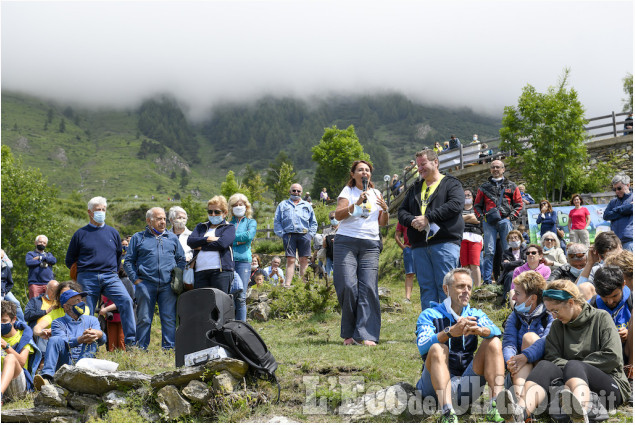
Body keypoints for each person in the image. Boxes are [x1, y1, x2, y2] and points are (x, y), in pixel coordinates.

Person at [498, 280, 629, 423]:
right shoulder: (557, 326)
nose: (554, 316)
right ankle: (521, 413)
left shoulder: (601, 318)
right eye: (550, 312)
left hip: (610, 384)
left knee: (574, 365)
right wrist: (572, 369)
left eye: (556, 310)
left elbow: (613, 357)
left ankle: (580, 412)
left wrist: (577, 367)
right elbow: (552, 358)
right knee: (544, 366)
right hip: (571, 382)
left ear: (571, 302)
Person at [415, 268, 505, 423]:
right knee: (438, 347)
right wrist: (448, 332)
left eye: (469, 287)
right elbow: (422, 346)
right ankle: (447, 413)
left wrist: (482, 331)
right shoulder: (429, 315)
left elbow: (496, 331)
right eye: (460, 286)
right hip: (433, 390)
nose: (466, 291)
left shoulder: (475, 315)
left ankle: (496, 406)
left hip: (465, 386)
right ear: (446, 289)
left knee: (494, 341)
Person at [65, 196, 136, 348]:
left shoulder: (113, 233)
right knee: (86, 311)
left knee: (126, 300)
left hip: (110, 276)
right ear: (89, 212)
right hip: (87, 276)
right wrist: (82, 273)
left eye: (104, 209)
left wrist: (112, 272)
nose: (102, 212)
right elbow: (69, 259)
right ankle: (88, 345)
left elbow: (118, 256)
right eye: (98, 210)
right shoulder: (80, 234)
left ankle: (131, 343)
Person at [398, 149, 464, 311]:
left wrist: (428, 217)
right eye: (418, 166)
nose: (420, 168)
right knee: (426, 288)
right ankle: (430, 331)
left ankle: (450, 330)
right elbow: (401, 212)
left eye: (423, 164)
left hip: (444, 243)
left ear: (436, 162)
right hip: (419, 245)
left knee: (447, 287)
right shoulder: (415, 188)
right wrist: (413, 221)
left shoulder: (451, 183)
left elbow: (456, 204)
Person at [332, 160, 389, 346]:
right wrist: (356, 204)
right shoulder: (347, 192)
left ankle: (366, 334)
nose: (364, 172)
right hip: (346, 241)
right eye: (360, 170)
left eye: (367, 170)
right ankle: (349, 333)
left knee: (369, 287)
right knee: (348, 285)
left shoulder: (376, 193)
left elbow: (382, 223)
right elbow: (338, 215)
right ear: (353, 174)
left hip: (370, 243)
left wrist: (386, 210)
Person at [124, 207, 185, 350]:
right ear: (149, 220)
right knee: (144, 318)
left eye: (164, 218)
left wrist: (177, 274)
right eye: (159, 219)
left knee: (169, 318)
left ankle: (169, 349)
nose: (162, 222)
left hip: (167, 286)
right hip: (145, 284)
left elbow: (181, 259)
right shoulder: (138, 238)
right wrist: (136, 281)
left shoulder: (172, 238)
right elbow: (128, 262)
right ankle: (141, 348)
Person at [34, 289, 105, 390]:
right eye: (76, 301)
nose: (81, 303)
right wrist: (80, 339)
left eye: (81, 300)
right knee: (54, 339)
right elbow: (63, 341)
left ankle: (82, 372)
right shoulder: (57, 323)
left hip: (86, 361)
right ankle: (47, 377)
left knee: (91, 338)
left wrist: (99, 334)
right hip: (66, 360)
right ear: (66, 306)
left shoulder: (92, 320)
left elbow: (102, 340)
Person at [502, 271, 553, 401]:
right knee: (518, 359)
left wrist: (526, 356)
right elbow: (509, 343)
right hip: (520, 369)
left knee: (529, 338)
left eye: (517, 294)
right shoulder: (515, 315)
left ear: (533, 298)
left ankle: (524, 403)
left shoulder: (549, 314)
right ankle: (521, 406)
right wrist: (511, 361)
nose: (513, 298)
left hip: (542, 368)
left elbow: (547, 341)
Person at [474, 160, 523, 285]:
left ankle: (506, 278)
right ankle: (487, 281)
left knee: (508, 250)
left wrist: (510, 218)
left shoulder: (512, 186)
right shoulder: (483, 187)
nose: (495, 169)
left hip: (505, 220)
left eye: (498, 167)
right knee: (489, 251)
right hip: (489, 222)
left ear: (503, 169)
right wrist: (482, 218)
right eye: (493, 167)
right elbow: (477, 205)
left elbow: (519, 204)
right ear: (490, 169)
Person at [187, 196, 236, 293]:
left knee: (220, 304)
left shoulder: (229, 227)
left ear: (225, 213)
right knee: (203, 305)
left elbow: (222, 244)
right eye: (210, 212)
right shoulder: (201, 226)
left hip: (221, 272)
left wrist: (201, 246)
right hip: (200, 272)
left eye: (217, 212)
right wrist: (208, 239)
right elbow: (190, 241)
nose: (213, 214)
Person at [273, 183, 318, 287]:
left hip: (304, 234)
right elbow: (277, 221)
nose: (296, 193)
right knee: (290, 260)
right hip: (289, 235)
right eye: (294, 190)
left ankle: (303, 285)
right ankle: (287, 284)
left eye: (298, 191)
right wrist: (282, 234)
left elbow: (313, 222)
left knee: (304, 260)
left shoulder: (307, 205)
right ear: (290, 192)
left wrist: (310, 235)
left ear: (301, 193)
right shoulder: (283, 204)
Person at [591, 266, 631, 359]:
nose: (610, 302)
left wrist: (630, 333)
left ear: (623, 284)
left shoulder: (632, 301)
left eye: (615, 296)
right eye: (604, 296)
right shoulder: (592, 305)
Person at [228, 193, 257, 321]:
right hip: (228, 260)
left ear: (246, 206)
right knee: (228, 295)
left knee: (241, 296)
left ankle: (241, 327)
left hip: (244, 261)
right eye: (235, 205)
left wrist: (231, 239)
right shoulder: (227, 224)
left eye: (241, 204)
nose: (238, 207)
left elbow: (249, 236)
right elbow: (224, 239)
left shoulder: (251, 222)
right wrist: (238, 241)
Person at [603, 174, 633, 251]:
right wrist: (626, 208)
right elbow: (606, 216)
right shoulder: (613, 202)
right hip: (615, 242)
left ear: (627, 185)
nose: (617, 191)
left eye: (619, 188)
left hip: (630, 241)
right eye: (614, 189)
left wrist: (615, 212)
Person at [460, 188, 482, 286]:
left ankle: (477, 287)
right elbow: (457, 221)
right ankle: (467, 286)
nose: (466, 197)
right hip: (461, 237)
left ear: (473, 198)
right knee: (465, 265)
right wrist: (470, 217)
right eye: (464, 195)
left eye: (469, 195)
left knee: (474, 264)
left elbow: (478, 220)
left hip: (475, 237)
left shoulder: (477, 209)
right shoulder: (458, 209)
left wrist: (463, 219)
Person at [168, 206, 194, 289]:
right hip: (169, 271)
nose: (182, 220)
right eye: (179, 217)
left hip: (187, 269)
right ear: (171, 220)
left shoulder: (192, 235)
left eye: (184, 218)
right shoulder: (165, 236)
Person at [25, 235, 57, 299]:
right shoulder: (30, 254)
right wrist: (45, 261)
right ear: (35, 243)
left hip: (48, 284)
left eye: (44, 243)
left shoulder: (49, 254)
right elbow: (29, 262)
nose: (42, 244)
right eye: (40, 242)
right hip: (35, 284)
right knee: (35, 304)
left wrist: (40, 258)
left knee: (49, 303)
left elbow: (53, 260)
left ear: (46, 245)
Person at [499, 230, 528, 300]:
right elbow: (505, 265)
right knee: (510, 275)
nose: (513, 240)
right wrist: (520, 261)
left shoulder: (526, 251)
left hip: (524, 271)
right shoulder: (506, 253)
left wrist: (510, 263)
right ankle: (506, 300)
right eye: (511, 238)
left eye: (515, 237)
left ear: (520, 239)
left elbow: (527, 263)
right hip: (510, 273)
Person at [1, 249, 24, 322]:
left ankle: (23, 323)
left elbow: (10, 283)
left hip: (4, 290)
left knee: (16, 302)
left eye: (2, 258)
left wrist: (5, 291)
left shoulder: (5, 267)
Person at [395, 221, 415, 302]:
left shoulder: (421, 215)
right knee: (409, 274)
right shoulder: (402, 219)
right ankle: (407, 298)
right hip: (408, 249)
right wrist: (403, 247)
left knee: (424, 273)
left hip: (421, 248)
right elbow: (397, 236)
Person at [321, 211, 339, 279]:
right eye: (332, 218)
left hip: (340, 255)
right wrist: (324, 240)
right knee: (329, 276)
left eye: (335, 217)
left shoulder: (343, 229)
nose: (334, 219)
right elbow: (324, 245)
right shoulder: (326, 230)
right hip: (329, 255)